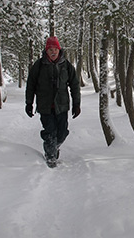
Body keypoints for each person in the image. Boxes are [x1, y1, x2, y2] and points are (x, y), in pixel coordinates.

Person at [25, 36, 81, 168]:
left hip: (61, 105)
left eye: (55, 49)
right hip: (45, 106)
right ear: (46, 51)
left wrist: (76, 104)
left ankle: (53, 148)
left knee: (62, 132)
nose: (53, 52)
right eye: (50, 49)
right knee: (50, 132)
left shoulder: (66, 65)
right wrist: (29, 103)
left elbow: (74, 85)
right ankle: (50, 158)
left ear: (59, 50)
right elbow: (31, 85)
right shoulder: (39, 65)